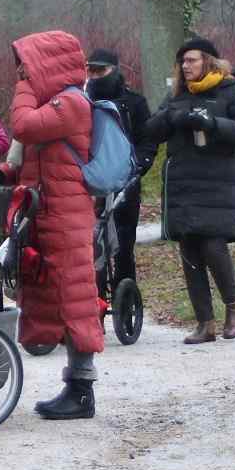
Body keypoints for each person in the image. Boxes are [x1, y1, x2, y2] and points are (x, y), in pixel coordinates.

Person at [0, 31, 101, 419]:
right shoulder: (56, 103)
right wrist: (3, 173)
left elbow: (25, 126)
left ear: (47, 65)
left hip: (67, 215)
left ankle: (81, 390)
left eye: (26, 66)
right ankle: (75, 386)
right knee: (52, 293)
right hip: (46, 212)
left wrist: (25, 87)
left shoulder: (73, 102)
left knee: (74, 299)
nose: (21, 72)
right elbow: (26, 146)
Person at [144, 37, 235, 343]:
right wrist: (172, 117)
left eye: (191, 60)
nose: (186, 66)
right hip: (184, 184)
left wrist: (214, 124)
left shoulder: (232, 92)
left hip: (218, 183)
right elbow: (150, 130)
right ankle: (204, 323)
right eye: (182, 62)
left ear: (208, 61)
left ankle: (234, 310)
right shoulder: (177, 95)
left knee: (213, 247)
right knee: (190, 250)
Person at [84, 48, 157, 293]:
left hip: (126, 183)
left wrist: (138, 166)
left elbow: (148, 139)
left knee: (124, 246)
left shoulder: (135, 103)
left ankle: (125, 298)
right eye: (90, 70)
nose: (94, 76)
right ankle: (94, 303)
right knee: (90, 246)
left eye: (100, 70)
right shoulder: (82, 101)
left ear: (114, 70)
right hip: (91, 184)